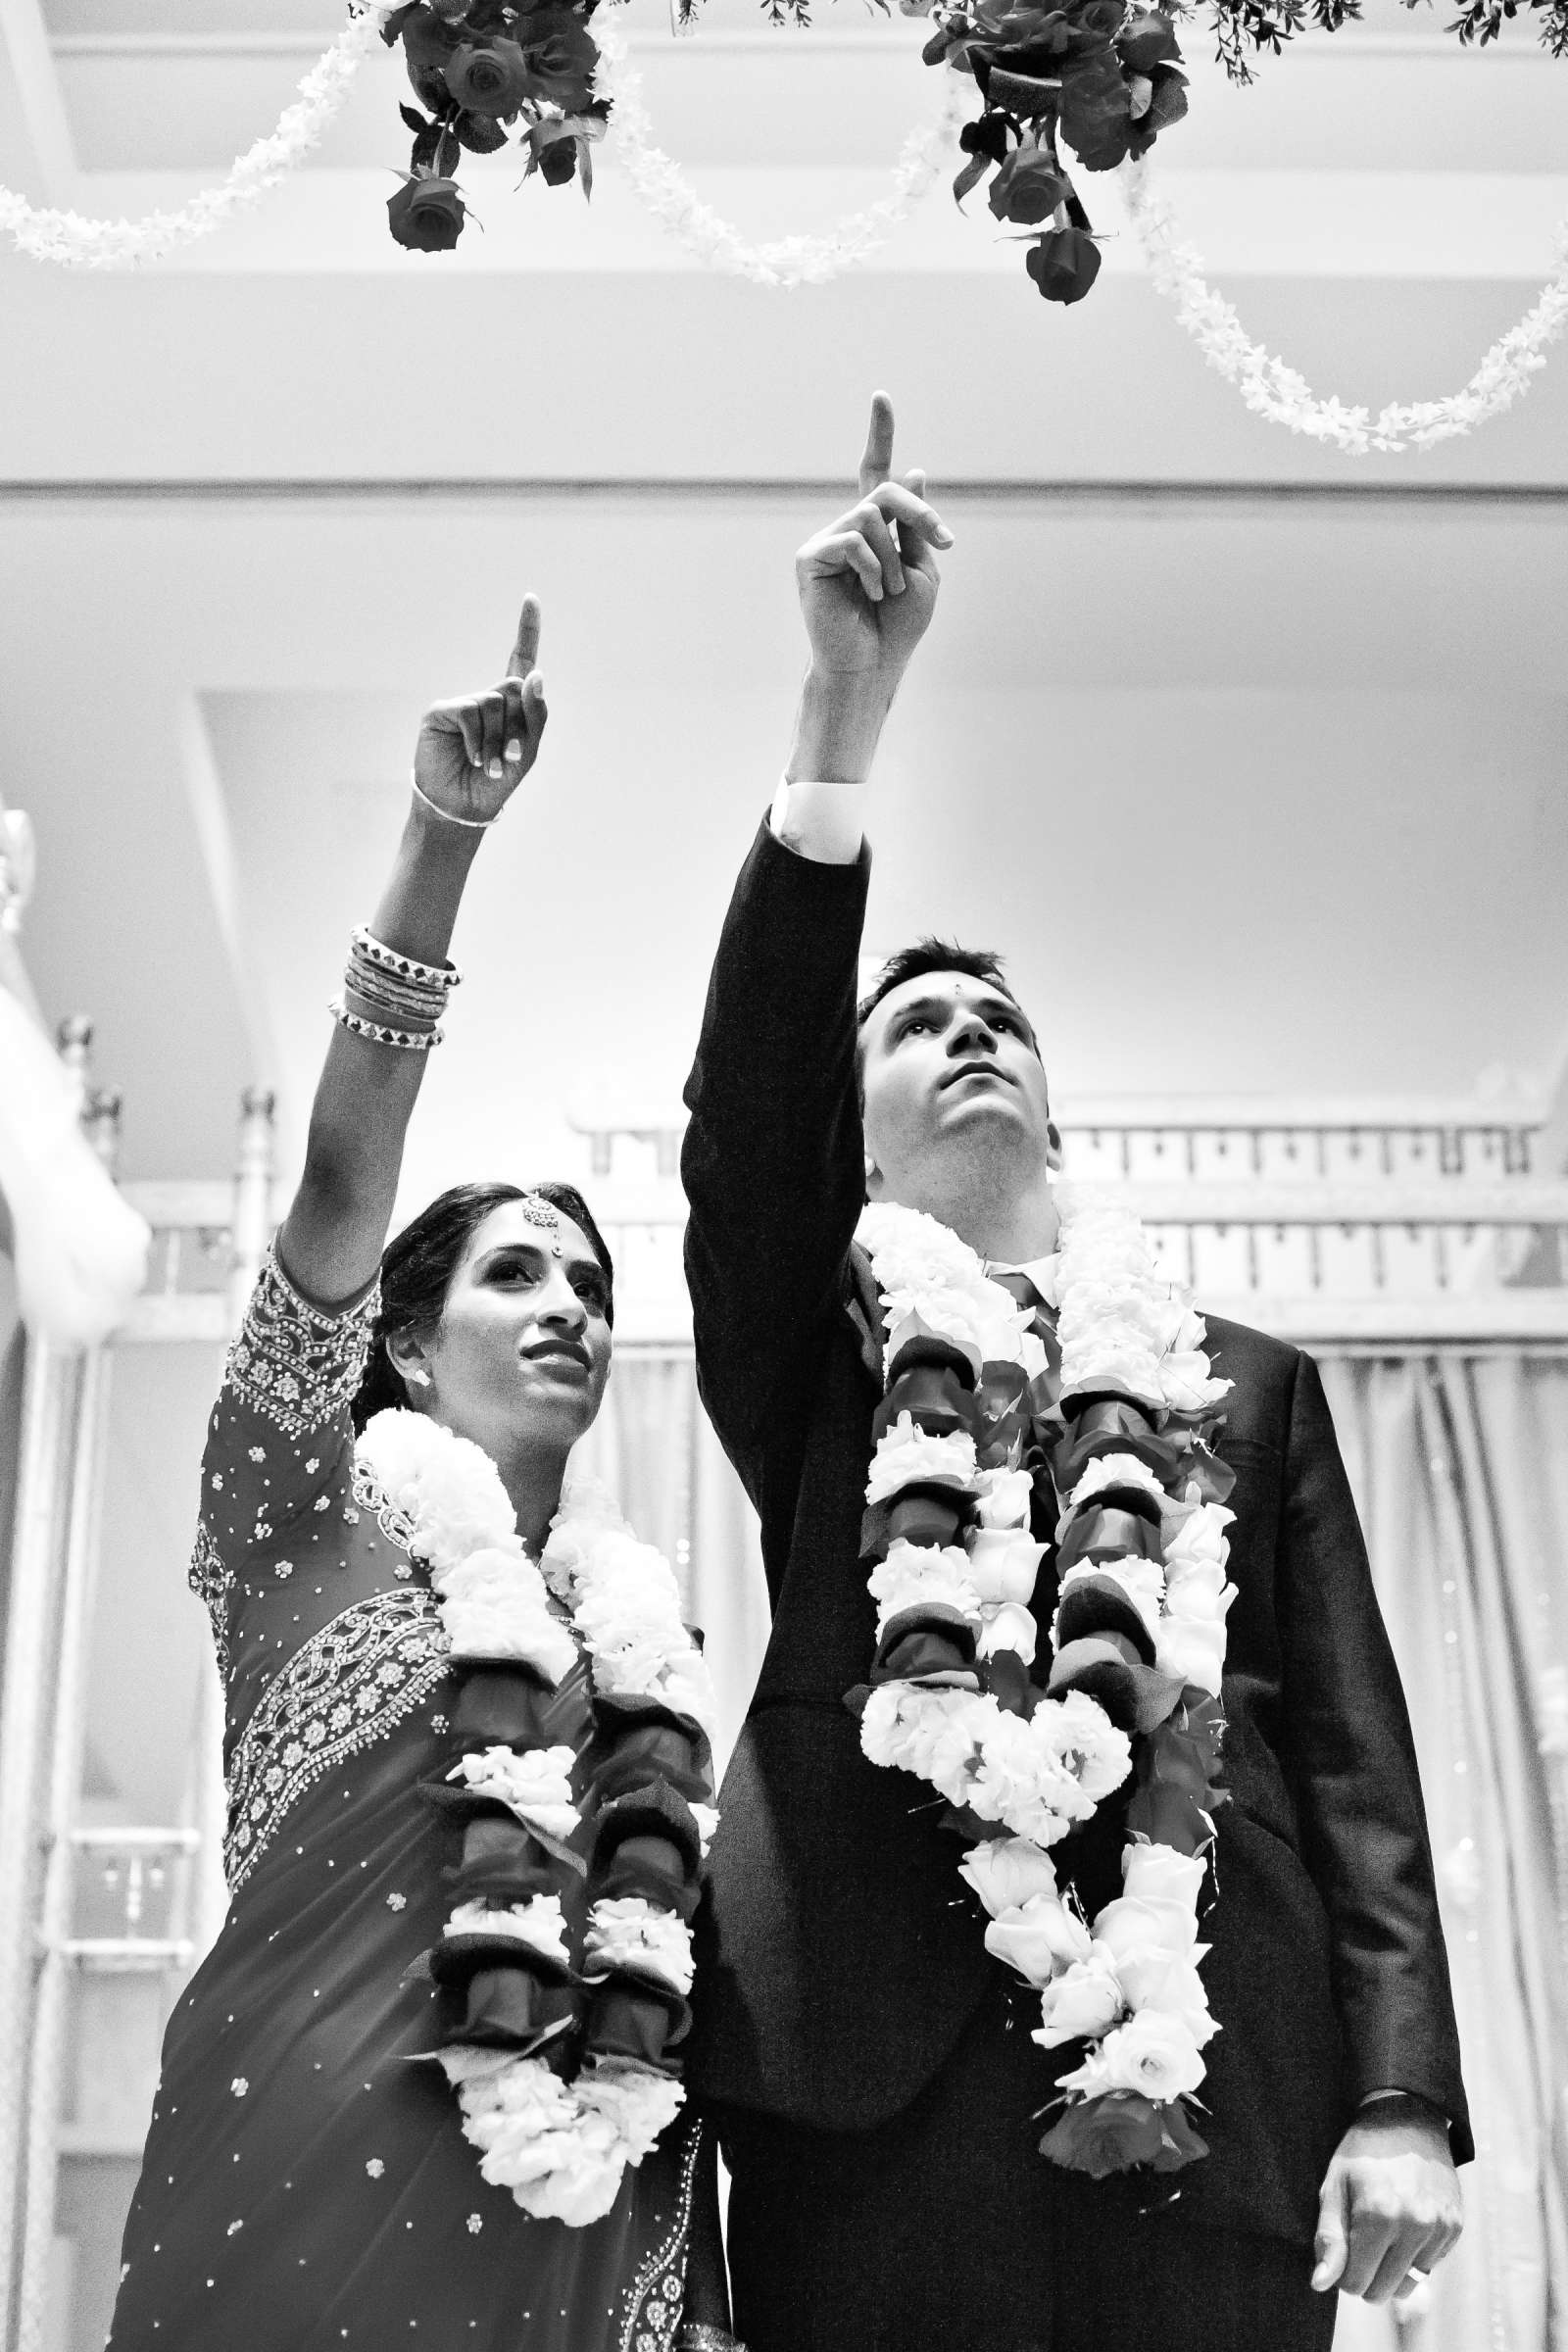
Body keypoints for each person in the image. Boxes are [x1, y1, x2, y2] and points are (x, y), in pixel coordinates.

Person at [680, 397, 1471, 2352]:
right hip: (857, 2077)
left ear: (1052, 1095)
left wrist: (1396, 2095)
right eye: (916, 1023)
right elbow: (748, 1116)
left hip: (1203, 2054)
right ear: (853, 1140)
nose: (966, 1036)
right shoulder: (814, 1353)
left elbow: (1351, 1761)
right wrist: (837, 728)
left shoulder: (1240, 1384)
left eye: (996, 1018)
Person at [110, 601, 729, 2352]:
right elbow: (331, 1191)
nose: (571, 1311)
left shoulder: (641, 1663)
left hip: (576, 2240)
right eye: (516, 1274)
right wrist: (439, 845)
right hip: (284, 2198)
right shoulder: (293, 1517)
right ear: (396, 1338)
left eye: (595, 1289)